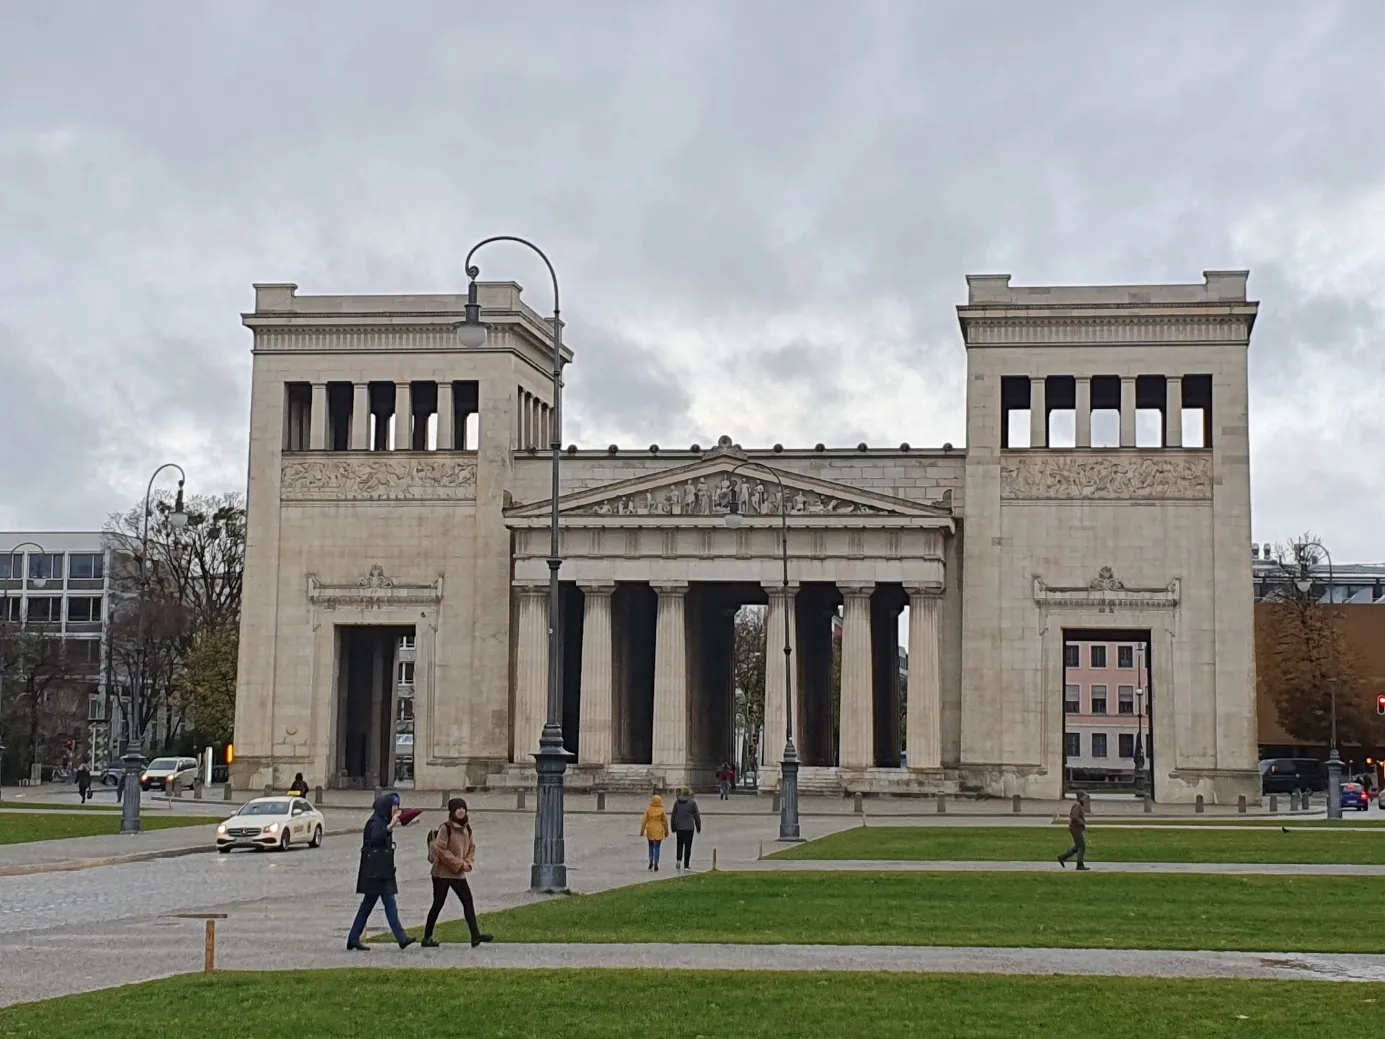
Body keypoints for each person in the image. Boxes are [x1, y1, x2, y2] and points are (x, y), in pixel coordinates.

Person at [346, 793, 416, 951]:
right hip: (375, 871)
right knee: (387, 903)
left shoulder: (383, 820)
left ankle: (353, 938)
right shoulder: (374, 822)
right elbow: (376, 838)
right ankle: (401, 937)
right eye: (394, 806)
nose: (396, 809)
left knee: (370, 905)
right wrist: (390, 826)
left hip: (382, 870)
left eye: (397, 806)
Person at [422, 798, 493, 948]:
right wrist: (459, 864)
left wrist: (468, 862)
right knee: (438, 904)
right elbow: (440, 850)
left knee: (468, 901)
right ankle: (427, 937)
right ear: (452, 811)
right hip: (442, 874)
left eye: (463, 808)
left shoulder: (468, 829)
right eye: (457, 808)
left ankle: (475, 936)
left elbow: (471, 847)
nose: (461, 810)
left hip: (458, 873)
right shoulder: (445, 828)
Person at [671, 787, 702, 871]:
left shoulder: (677, 802)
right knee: (688, 846)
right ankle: (686, 864)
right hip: (689, 827)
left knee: (679, 844)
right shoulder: (692, 803)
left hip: (679, 827)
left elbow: (673, 815)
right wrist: (698, 826)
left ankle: (678, 859)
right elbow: (696, 815)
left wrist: (673, 826)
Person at [1058, 793, 1090, 871]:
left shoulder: (1078, 805)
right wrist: (1082, 823)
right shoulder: (1077, 805)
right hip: (1076, 829)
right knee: (1081, 846)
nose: (1085, 799)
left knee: (1078, 846)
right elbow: (1074, 817)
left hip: (1076, 828)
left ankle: (1062, 857)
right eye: (1084, 797)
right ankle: (1080, 864)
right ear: (1080, 797)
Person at [639, 793, 669, 871]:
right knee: (657, 847)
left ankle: (650, 860)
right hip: (658, 828)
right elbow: (665, 821)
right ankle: (656, 862)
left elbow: (644, 821)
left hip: (650, 829)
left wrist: (642, 831)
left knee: (651, 846)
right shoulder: (662, 810)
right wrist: (666, 831)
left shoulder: (649, 809)